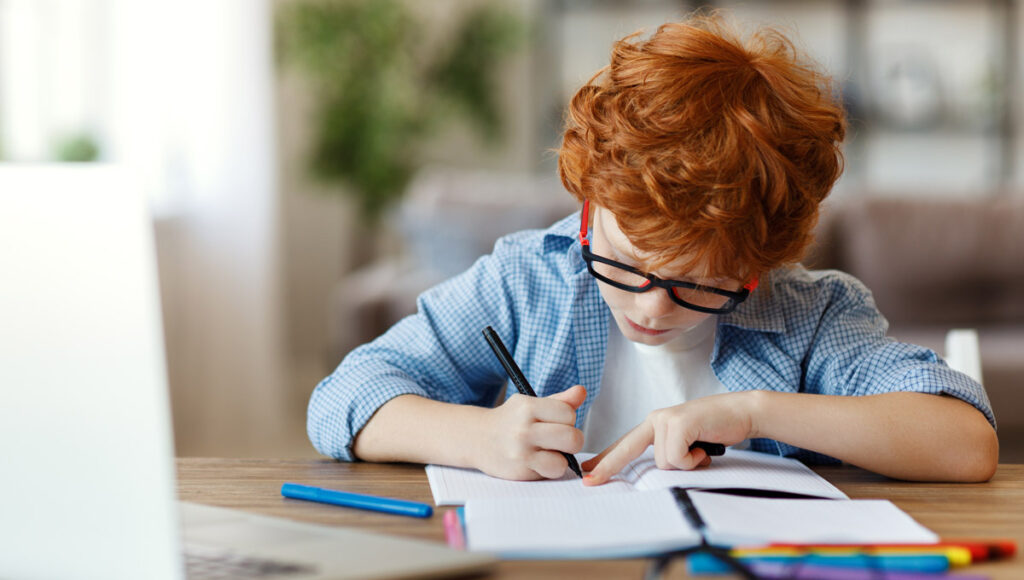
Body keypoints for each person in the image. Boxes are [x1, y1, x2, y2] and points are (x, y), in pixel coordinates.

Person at [307, 14, 998, 484]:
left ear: (757, 269)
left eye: (701, 283)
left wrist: (754, 412)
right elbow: (343, 397)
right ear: (588, 204)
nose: (651, 305)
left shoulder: (806, 317)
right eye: (625, 261)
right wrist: (479, 440)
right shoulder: (527, 282)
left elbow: (966, 442)